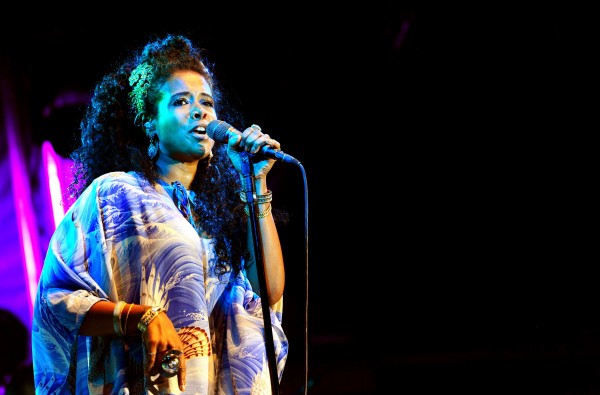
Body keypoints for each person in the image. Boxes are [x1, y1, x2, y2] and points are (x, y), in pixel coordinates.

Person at [32, 33, 289, 394]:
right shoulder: (116, 192)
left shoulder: (220, 218)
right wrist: (140, 318)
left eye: (207, 102)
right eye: (181, 102)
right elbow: (57, 297)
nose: (199, 111)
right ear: (149, 121)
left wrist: (255, 183)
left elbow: (268, 291)